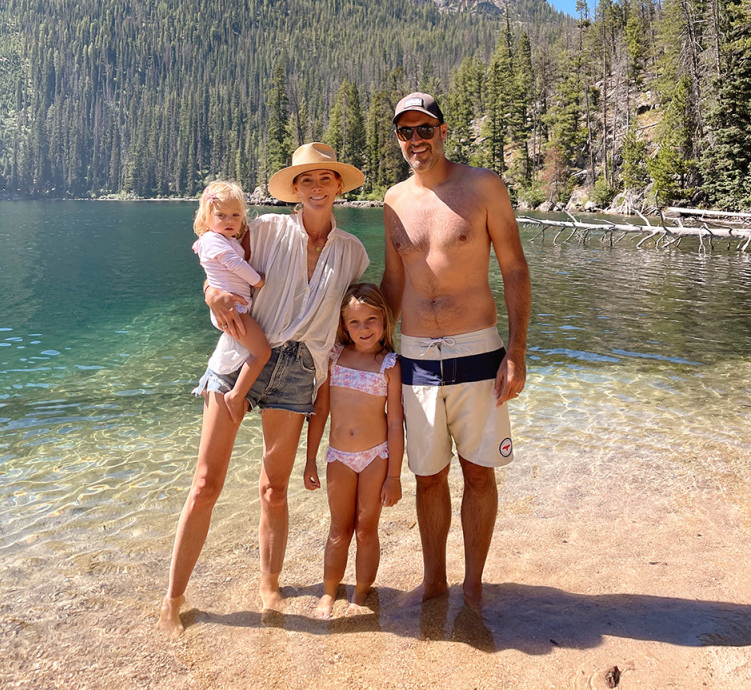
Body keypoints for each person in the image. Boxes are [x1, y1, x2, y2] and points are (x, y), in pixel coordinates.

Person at [158, 144, 369, 634]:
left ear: (338, 185)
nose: (316, 187)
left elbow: (349, 318)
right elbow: (219, 265)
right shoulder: (266, 229)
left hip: (299, 369)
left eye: (326, 178)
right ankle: (173, 596)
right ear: (294, 189)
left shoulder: (353, 252)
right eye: (306, 179)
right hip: (240, 355)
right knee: (205, 484)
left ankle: (269, 584)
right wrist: (211, 296)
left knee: (274, 489)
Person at [380, 92, 531, 613]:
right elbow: (393, 281)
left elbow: (514, 267)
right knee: (427, 476)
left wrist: (516, 350)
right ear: (398, 139)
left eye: (425, 129)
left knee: (479, 473)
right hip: (416, 355)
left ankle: (473, 584)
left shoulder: (483, 186)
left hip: (477, 349)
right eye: (406, 132)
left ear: (443, 132)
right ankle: (434, 581)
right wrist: (373, 350)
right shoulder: (393, 201)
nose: (416, 140)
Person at [303, 283, 403, 618]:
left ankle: (360, 593)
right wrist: (310, 460)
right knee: (339, 528)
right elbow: (321, 411)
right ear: (344, 326)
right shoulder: (335, 357)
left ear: (384, 320)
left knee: (366, 528)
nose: (364, 328)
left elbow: (395, 424)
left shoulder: (389, 365)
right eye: (355, 322)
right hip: (339, 457)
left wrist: (394, 477)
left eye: (371, 319)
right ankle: (329, 591)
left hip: (376, 456)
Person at [191, 181, 271, 424]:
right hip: (231, 310)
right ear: (206, 217)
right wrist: (258, 281)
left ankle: (224, 386)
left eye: (235, 215)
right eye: (221, 215)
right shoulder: (213, 240)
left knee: (251, 349)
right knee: (262, 351)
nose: (229, 221)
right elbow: (235, 265)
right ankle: (236, 395)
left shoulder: (227, 240)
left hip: (234, 307)